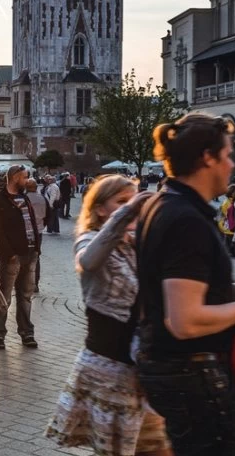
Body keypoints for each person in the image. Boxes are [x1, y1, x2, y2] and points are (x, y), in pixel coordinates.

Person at [134, 113, 235, 456]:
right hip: (194, 375)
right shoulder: (186, 220)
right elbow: (184, 320)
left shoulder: (162, 204)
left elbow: (169, 286)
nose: (231, 165)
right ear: (207, 157)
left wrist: (224, 293)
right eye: (227, 155)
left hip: (170, 369)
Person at [47, 175, 171, 456]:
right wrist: (127, 213)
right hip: (109, 369)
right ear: (101, 208)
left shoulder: (135, 243)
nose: (131, 208)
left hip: (141, 368)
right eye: (121, 202)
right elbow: (88, 261)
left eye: (132, 200)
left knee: (158, 449)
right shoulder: (90, 239)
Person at [0, 165, 43, 349]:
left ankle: (27, 333)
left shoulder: (25, 198)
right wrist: (9, 253)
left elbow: (32, 224)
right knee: (5, 296)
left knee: (25, 296)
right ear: (15, 177)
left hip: (30, 253)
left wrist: (36, 248)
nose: (27, 180)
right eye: (25, 177)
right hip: (12, 256)